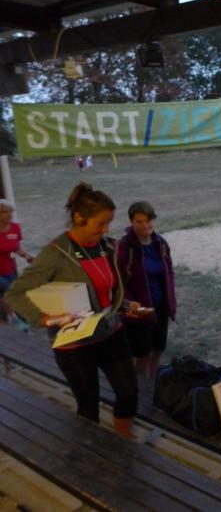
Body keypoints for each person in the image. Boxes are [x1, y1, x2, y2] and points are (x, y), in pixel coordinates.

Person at [5, 182, 143, 438]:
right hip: (75, 344)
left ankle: (124, 442)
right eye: (101, 223)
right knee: (88, 405)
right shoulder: (56, 252)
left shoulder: (107, 246)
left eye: (108, 223)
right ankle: (91, 452)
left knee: (129, 392)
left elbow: (104, 289)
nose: (106, 229)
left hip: (111, 332)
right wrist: (44, 319)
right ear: (79, 218)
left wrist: (124, 305)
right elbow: (15, 293)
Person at [115, 201, 176, 378]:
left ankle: (152, 382)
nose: (145, 225)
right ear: (131, 222)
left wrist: (171, 299)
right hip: (139, 311)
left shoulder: (160, 243)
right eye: (139, 221)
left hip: (161, 307)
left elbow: (169, 272)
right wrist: (129, 304)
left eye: (148, 220)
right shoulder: (126, 246)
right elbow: (118, 280)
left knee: (158, 349)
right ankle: (140, 386)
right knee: (143, 354)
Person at [0, 199, 33, 329]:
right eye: (5, 212)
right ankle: (12, 318)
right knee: (7, 289)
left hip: (9, 269)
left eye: (11, 211)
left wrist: (26, 256)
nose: (9, 214)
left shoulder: (15, 228)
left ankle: (12, 319)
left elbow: (16, 247)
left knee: (13, 293)